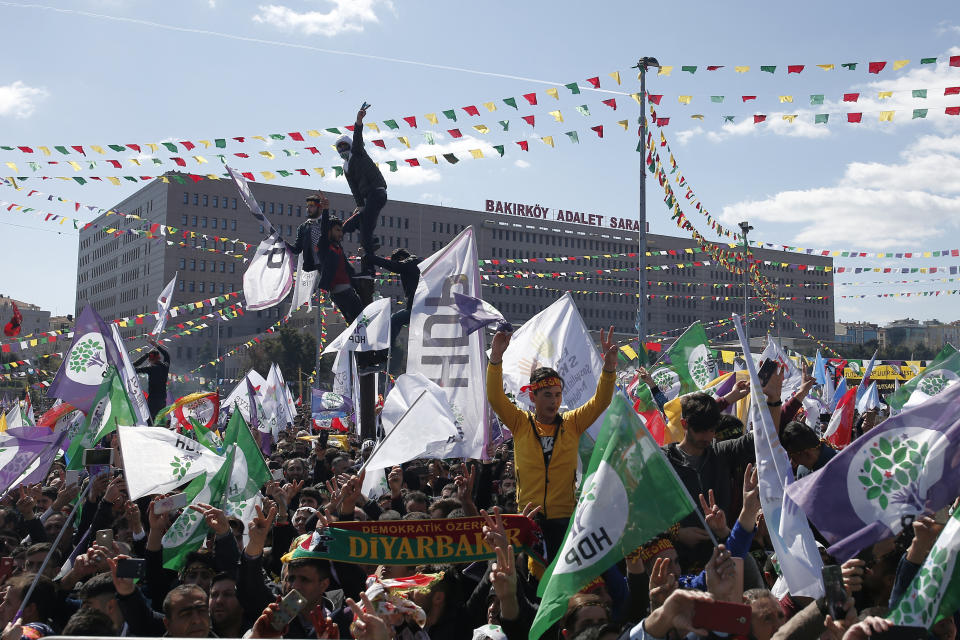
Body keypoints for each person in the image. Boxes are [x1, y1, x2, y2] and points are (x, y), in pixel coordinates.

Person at [486, 326, 618, 558]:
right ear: (533, 397)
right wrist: (496, 358)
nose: (554, 401)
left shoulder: (572, 423)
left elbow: (601, 400)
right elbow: (496, 397)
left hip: (565, 518)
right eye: (547, 395)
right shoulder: (520, 422)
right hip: (528, 516)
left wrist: (608, 369)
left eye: (558, 395)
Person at [337, 106, 388, 278]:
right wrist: (359, 206)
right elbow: (354, 189)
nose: (343, 149)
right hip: (368, 198)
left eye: (345, 146)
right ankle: (370, 242)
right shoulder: (345, 167)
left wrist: (359, 121)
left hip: (377, 192)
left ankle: (370, 269)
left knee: (364, 229)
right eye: (340, 147)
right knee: (358, 224)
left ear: (350, 146)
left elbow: (357, 137)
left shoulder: (358, 152)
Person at [299, 193, 365, 325]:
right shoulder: (324, 245)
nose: (340, 234)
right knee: (360, 323)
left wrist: (356, 215)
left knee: (357, 324)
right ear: (329, 231)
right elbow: (324, 229)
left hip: (347, 290)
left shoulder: (337, 245)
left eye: (341, 231)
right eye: (337, 231)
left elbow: (344, 227)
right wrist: (325, 209)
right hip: (341, 292)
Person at [371, 248, 423, 343]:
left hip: (418, 307)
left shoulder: (410, 262)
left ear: (401, 258)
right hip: (420, 306)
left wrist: (370, 258)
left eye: (396, 262)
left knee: (394, 320)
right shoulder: (418, 262)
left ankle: (386, 351)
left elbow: (393, 266)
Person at [132, 338, 170, 421]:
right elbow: (166, 355)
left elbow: (133, 367)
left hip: (153, 400)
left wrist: (146, 355)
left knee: (150, 421)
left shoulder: (151, 368)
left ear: (150, 359)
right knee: (159, 422)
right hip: (163, 399)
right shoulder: (165, 366)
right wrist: (155, 345)